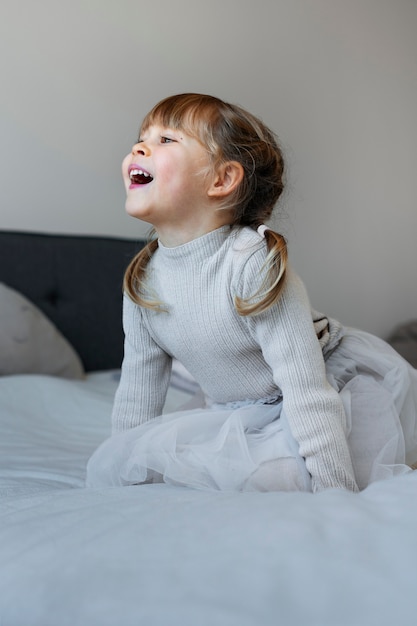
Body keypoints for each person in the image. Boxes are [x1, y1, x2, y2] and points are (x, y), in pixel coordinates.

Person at [86, 93, 417, 493]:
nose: (139, 147)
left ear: (222, 180)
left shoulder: (249, 262)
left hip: (321, 391)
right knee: (189, 467)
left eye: (166, 140)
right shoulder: (142, 279)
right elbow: (138, 391)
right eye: (141, 137)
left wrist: (335, 490)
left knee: (294, 476)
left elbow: (306, 388)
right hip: (237, 410)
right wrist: (122, 471)